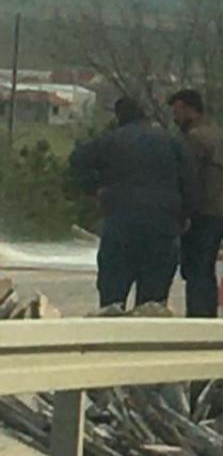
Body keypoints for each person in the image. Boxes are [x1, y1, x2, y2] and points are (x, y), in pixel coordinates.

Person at [70, 97, 192, 309]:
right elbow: (189, 180)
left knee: (113, 294)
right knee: (153, 300)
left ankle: (111, 335)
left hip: (122, 224)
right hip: (162, 226)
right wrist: (184, 216)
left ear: (119, 117)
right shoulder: (170, 142)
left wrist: (94, 189)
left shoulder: (111, 141)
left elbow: (78, 159)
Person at [169, 89, 223, 317]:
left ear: (190, 110)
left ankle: (198, 316)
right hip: (219, 209)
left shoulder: (194, 139)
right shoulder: (217, 134)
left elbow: (187, 177)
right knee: (205, 268)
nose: (175, 118)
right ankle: (207, 314)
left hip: (201, 212)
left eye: (177, 111)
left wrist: (183, 212)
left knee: (195, 269)